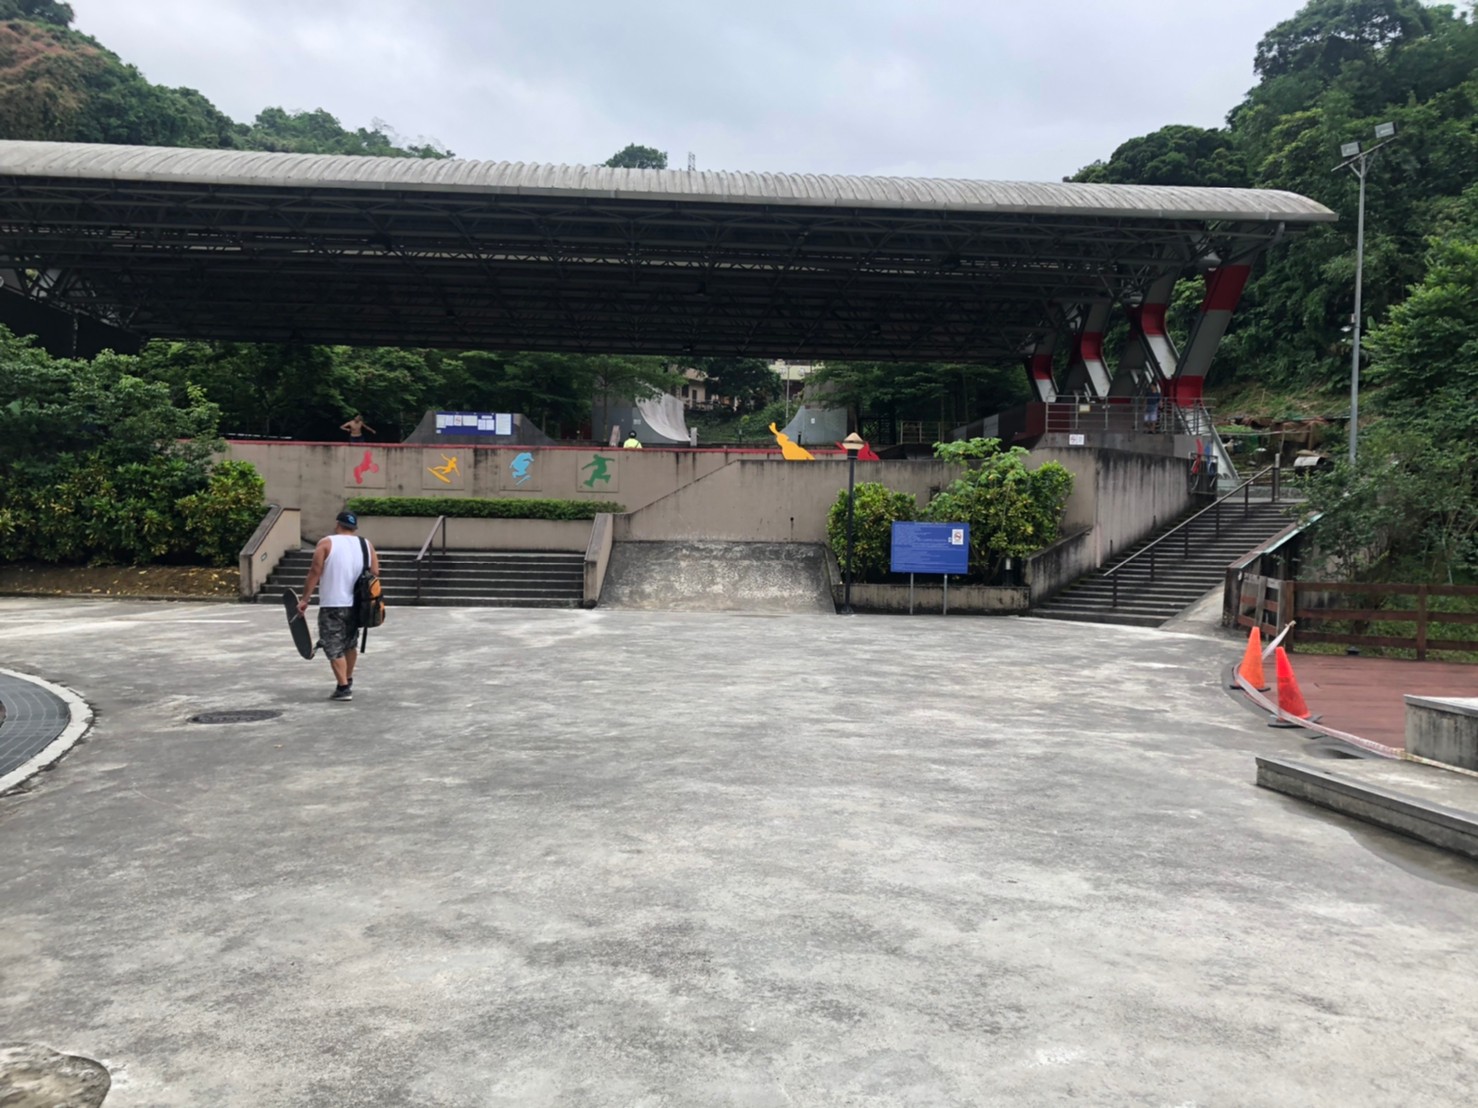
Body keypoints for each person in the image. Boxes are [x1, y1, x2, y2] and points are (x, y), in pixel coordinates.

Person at [298, 511, 380, 701]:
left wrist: (304, 599)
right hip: (358, 604)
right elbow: (375, 572)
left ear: (337, 524)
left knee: (332, 645)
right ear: (354, 527)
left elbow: (315, 571)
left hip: (333, 604)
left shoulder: (326, 543)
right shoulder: (366, 544)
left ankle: (343, 688)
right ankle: (347, 680)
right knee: (350, 644)